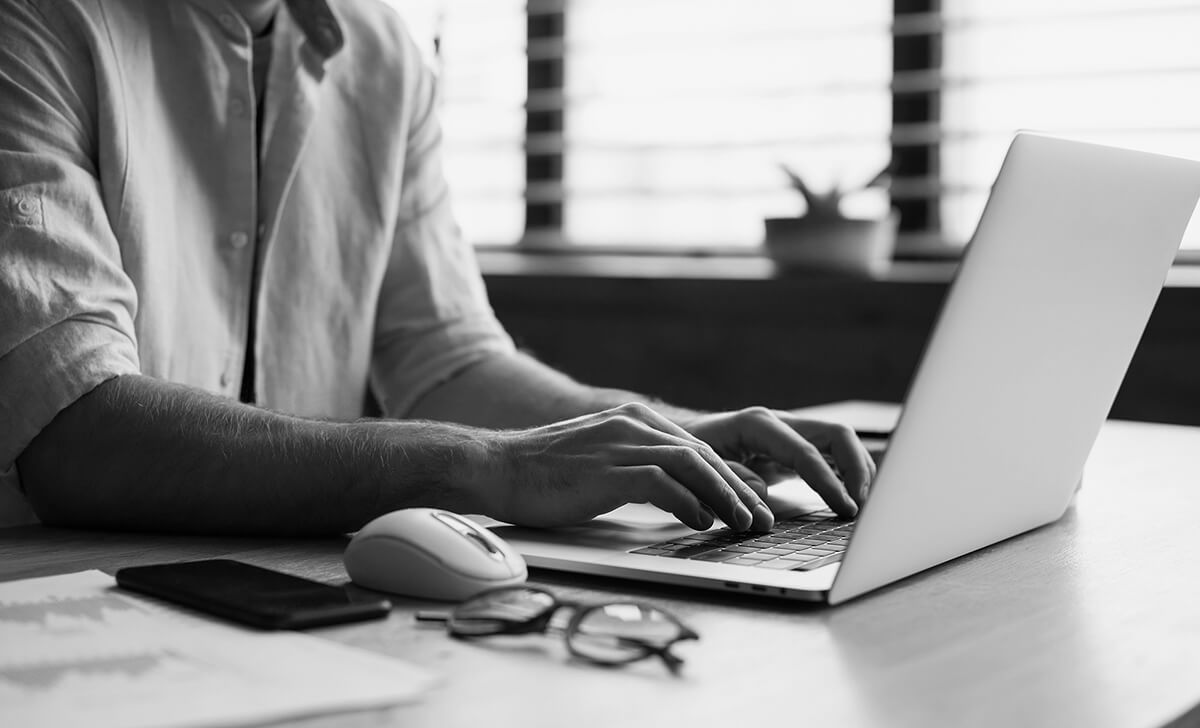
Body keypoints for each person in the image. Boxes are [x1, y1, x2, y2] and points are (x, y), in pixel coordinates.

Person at [0, 0, 874, 535]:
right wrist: (485, 464)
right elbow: (76, 433)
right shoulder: (32, 22)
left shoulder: (384, 53)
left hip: (289, 592)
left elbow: (448, 360)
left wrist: (682, 437)